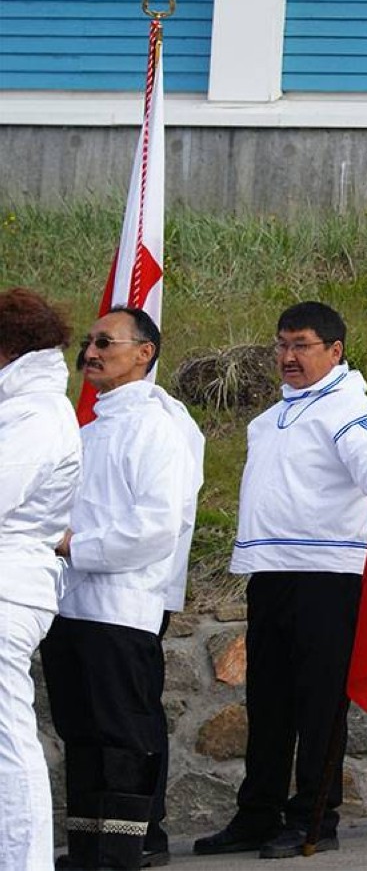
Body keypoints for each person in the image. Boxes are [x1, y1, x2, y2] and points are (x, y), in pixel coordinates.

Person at [195, 302, 367, 859]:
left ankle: (314, 818)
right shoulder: (268, 419)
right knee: (269, 702)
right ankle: (258, 813)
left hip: (328, 577)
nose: (288, 356)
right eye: (282, 344)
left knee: (319, 703)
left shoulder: (349, 408)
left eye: (301, 345)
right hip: (272, 573)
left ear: (335, 350)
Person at [43, 308, 203, 870]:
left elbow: (157, 526)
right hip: (71, 605)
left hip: (122, 605)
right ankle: (88, 848)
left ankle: (121, 851)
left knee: (121, 733)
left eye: (105, 342)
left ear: (143, 353)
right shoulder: (86, 430)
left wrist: (76, 547)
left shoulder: (160, 428)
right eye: (88, 342)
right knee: (80, 731)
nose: (90, 352)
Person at [0, 289, 81, 871]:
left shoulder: (34, 415)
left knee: (8, 738)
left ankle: (26, 862)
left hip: (9, 586)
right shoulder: (23, 408)